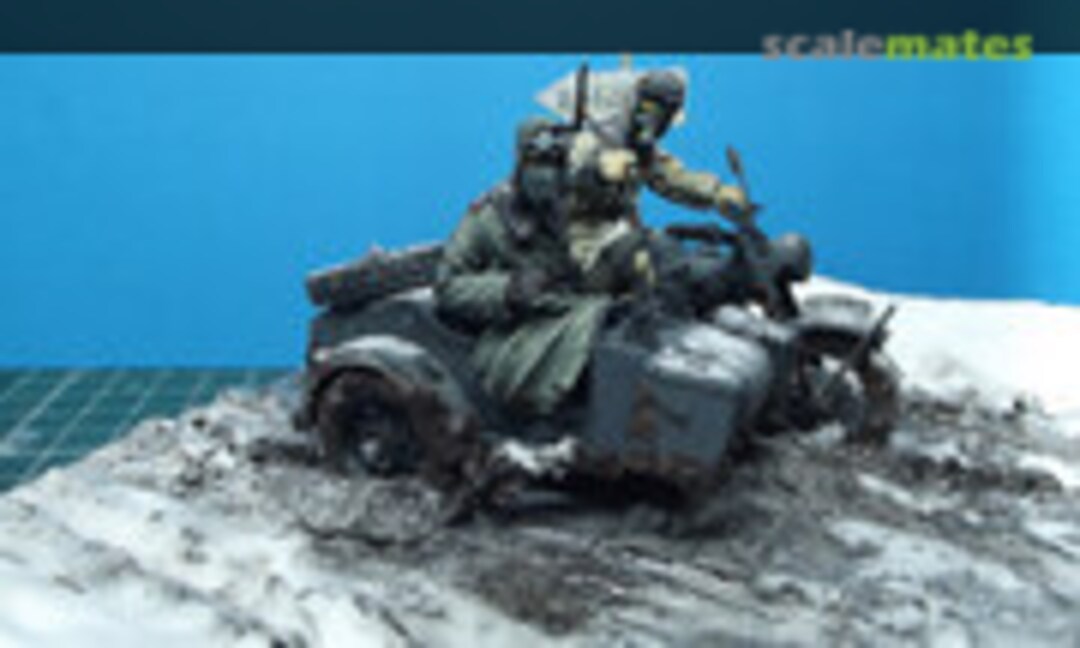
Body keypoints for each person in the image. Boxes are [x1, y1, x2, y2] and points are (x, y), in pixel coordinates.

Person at [435, 118, 627, 417]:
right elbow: (448, 287)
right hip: (520, 333)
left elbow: (621, 249)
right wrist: (508, 289)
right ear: (520, 164)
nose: (546, 174)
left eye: (554, 162)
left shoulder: (581, 209)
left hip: (587, 316)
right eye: (536, 162)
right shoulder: (489, 218)